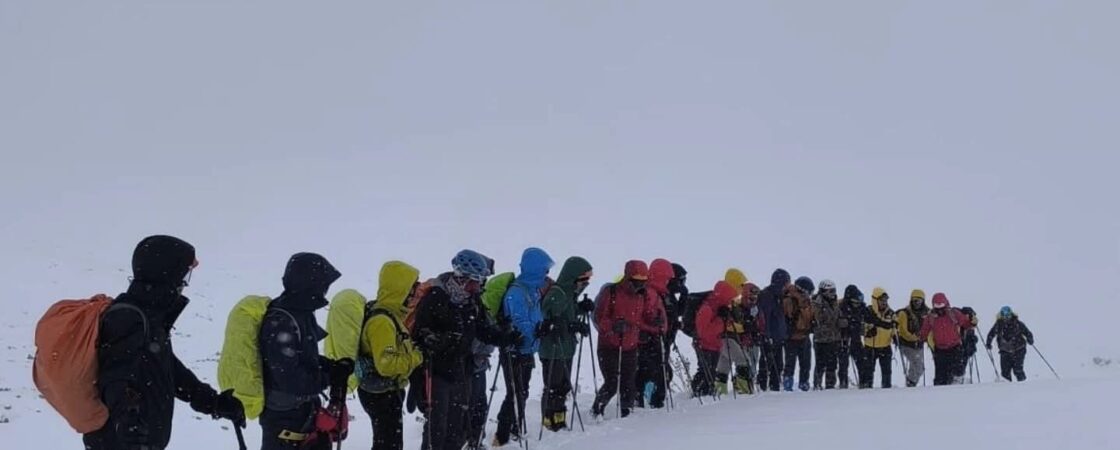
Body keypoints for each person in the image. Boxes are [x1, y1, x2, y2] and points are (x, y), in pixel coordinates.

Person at [84, 236, 245, 450]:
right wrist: (126, 422)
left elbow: (167, 368)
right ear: (167, 274)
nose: (184, 283)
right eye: (184, 275)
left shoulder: (148, 318)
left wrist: (212, 402)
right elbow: (114, 377)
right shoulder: (128, 318)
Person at [412, 250, 518, 450]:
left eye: (478, 282)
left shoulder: (471, 301)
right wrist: (439, 340)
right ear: (461, 278)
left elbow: (483, 330)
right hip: (437, 373)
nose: (477, 287)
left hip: (462, 371)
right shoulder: (436, 298)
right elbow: (420, 336)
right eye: (474, 281)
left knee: (457, 427)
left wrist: (505, 338)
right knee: (437, 428)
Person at [259, 252, 351, 450]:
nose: (325, 291)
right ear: (311, 284)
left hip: (300, 413)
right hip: (285, 418)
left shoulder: (299, 312)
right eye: (323, 285)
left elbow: (303, 357)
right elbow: (289, 377)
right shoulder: (282, 320)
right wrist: (328, 376)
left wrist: (331, 366)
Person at [356, 261, 424, 450]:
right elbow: (387, 364)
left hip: (382, 391)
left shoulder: (390, 315)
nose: (415, 293)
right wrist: (417, 357)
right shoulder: (382, 322)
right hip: (381, 394)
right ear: (401, 289)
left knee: (386, 443)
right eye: (413, 287)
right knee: (388, 445)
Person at [493, 248, 554, 447]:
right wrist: (536, 331)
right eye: (544, 270)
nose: (546, 275)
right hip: (514, 350)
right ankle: (502, 435)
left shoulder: (532, 290)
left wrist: (541, 328)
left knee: (522, 391)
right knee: (515, 393)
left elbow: (534, 317)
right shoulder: (516, 292)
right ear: (535, 269)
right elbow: (518, 322)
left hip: (526, 350)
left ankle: (514, 429)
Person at [592, 260, 657, 419]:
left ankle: (626, 413)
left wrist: (653, 323)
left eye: (643, 281)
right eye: (637, 281)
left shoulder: (642, 295)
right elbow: (599, 317)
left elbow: (643, 317)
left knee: (628, 382)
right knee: (612, 382)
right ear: (628, 278)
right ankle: (597, 409)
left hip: (630, 345)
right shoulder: (611, 292)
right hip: (609, 345)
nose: (640, 285)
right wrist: (613, 326)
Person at [538, 256, 594, 431]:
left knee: (563, 386)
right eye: (583, 279)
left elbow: (568, 313)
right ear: (573, 277)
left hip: (566, 346)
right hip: (553, 348)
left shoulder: (569, 294)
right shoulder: (558, 293)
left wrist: (581, 308)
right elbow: (548, 319)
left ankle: (559, 418)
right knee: (553, 386)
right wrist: (571, 326)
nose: (585, 283)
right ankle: (549, 421)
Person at [634, 259, 673, 408]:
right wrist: (651, 325)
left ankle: (643, 398)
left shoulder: (655, 292)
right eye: (666, 278)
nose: (668, 282)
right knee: (654, 370)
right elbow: (641, 315)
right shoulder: (650, 293)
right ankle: (650, 400)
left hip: (652, 335)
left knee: (652, 370)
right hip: (649, 337)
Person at [695, 281, 742, 395]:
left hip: (714, 345)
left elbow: (728, 324)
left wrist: (727, 317)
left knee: (710, 373)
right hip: (705, 346)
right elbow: (703, 332)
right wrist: (721, 320)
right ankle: (699, 393)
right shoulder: (707, 309)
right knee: (705, 372)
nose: (730, 303)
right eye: (729, 299)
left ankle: (706, 393)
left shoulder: (718, 308)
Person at [919, 293, 976, 386]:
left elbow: (965, 323)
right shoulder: (931, 317)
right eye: (937, 306)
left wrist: (972, 322)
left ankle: (956, 387)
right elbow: (924, 330)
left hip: (955, 347)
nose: (939, 309)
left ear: (945, 304)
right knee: (940, 377)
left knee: (957, 371)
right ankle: (940, 391)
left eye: (941, 305)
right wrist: (921, 338)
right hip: (940, 350)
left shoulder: (953, 313)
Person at [757, 269, 792, 392]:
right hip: (770, 336)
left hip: (778, 337)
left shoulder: (779, 296)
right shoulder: (767, 296)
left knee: (778, 364)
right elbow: (765, 316)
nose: (788, 285)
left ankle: (775, 388)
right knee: (767, 363)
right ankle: (763, 387)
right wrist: (767, 335)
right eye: (787, 282)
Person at [783, 276, 815, 391]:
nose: (809, 294)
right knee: (790, 363)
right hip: (792, 337)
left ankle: (804, 383)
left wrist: (813, 323)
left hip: (804, 335)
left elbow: (810, 315)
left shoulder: (808, 302)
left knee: (806, 363)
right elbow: (786, 316)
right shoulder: (789, 300)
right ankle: (788, 383)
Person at [986, 306, 1035, 382]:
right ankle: (1007, 388)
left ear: (1011, 314)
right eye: (1004, 315)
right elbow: (991, 334)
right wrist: (988, 343)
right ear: (1001, 316)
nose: (1006, 318)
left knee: (1018, 370)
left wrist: (1030, 339)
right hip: (1004, 351)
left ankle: (1023, 385)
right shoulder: (998, 325)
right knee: (1005, 373)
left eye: (1008, 315)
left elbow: (1027, 332)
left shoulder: (1018, 323)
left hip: (1019, 350)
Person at [861, 287, 897, 389]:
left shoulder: (891, 313)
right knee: (868, 371)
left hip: (885, 346)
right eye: (881, 300)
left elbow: (894, 327)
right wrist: (868, 332)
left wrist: (895, 335)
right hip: (870, 346)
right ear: (875, 300)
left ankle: (886, 390)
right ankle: (867, 389)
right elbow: (861, 327)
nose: (884, 302)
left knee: (887, 371)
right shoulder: (867, 312)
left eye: (885, 300)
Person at [811, 279, 842, 390]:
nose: (833, 293)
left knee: (832, 363)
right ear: (823, 291)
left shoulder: (835, 303)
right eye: (830, 291)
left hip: (833, 338)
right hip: (821, 339)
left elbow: (837, 317)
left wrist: (841, 322)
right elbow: (818, 319)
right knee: (820, 363)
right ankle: (817, 384)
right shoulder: (817, 303)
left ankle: (830, 385)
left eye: (834, 290)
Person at [895, 289, 930, 387]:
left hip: (918, 344)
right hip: (906, 344)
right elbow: (903, 331)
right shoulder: (904, 313)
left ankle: (911, 385)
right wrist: (916, 338)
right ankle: (911, 383)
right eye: (914, 300)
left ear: (923, 301)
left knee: (916, 365)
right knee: (919, 366)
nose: (917, 303)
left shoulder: (927, 313)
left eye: (919, 300)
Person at [837, 285, 867, 389]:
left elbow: (866, 320)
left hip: (856, 339)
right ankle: (843, 383)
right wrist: (841, 324)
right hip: (844, 339)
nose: (857, 304)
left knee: (862, 361)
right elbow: (834, 322)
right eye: (855, 302)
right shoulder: (840, 307)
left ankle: (864, 383)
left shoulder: (862, 308)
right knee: (843, 363)